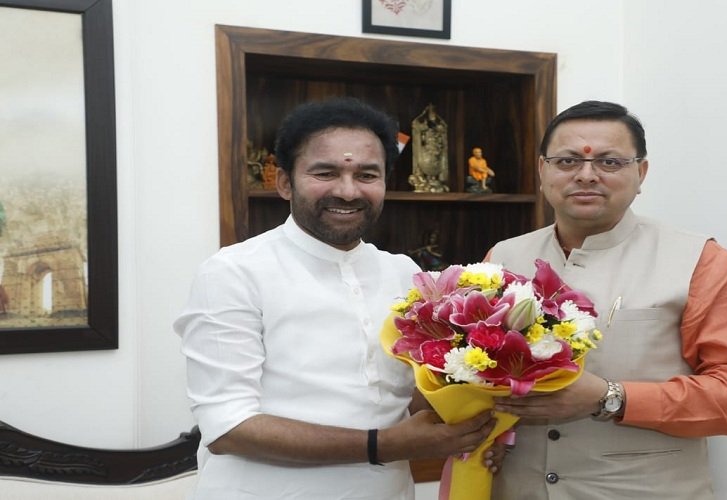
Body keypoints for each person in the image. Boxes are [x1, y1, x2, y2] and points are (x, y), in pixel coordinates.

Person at [174, 97, 500, 499]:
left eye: (367, 174)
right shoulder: (234, 272)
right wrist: (383, 445)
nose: (348, 191)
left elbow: (416, 396)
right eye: (325, 172)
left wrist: (478, 419)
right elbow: (228, 427)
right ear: (284, 182)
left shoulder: (404, 274)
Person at [486, 100, 727, 499]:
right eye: (567, 161)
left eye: (609, 162)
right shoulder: (502, 258)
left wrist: (612, 398)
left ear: (641, 173)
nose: (586, 175)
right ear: (542, 170)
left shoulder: (698, 261)